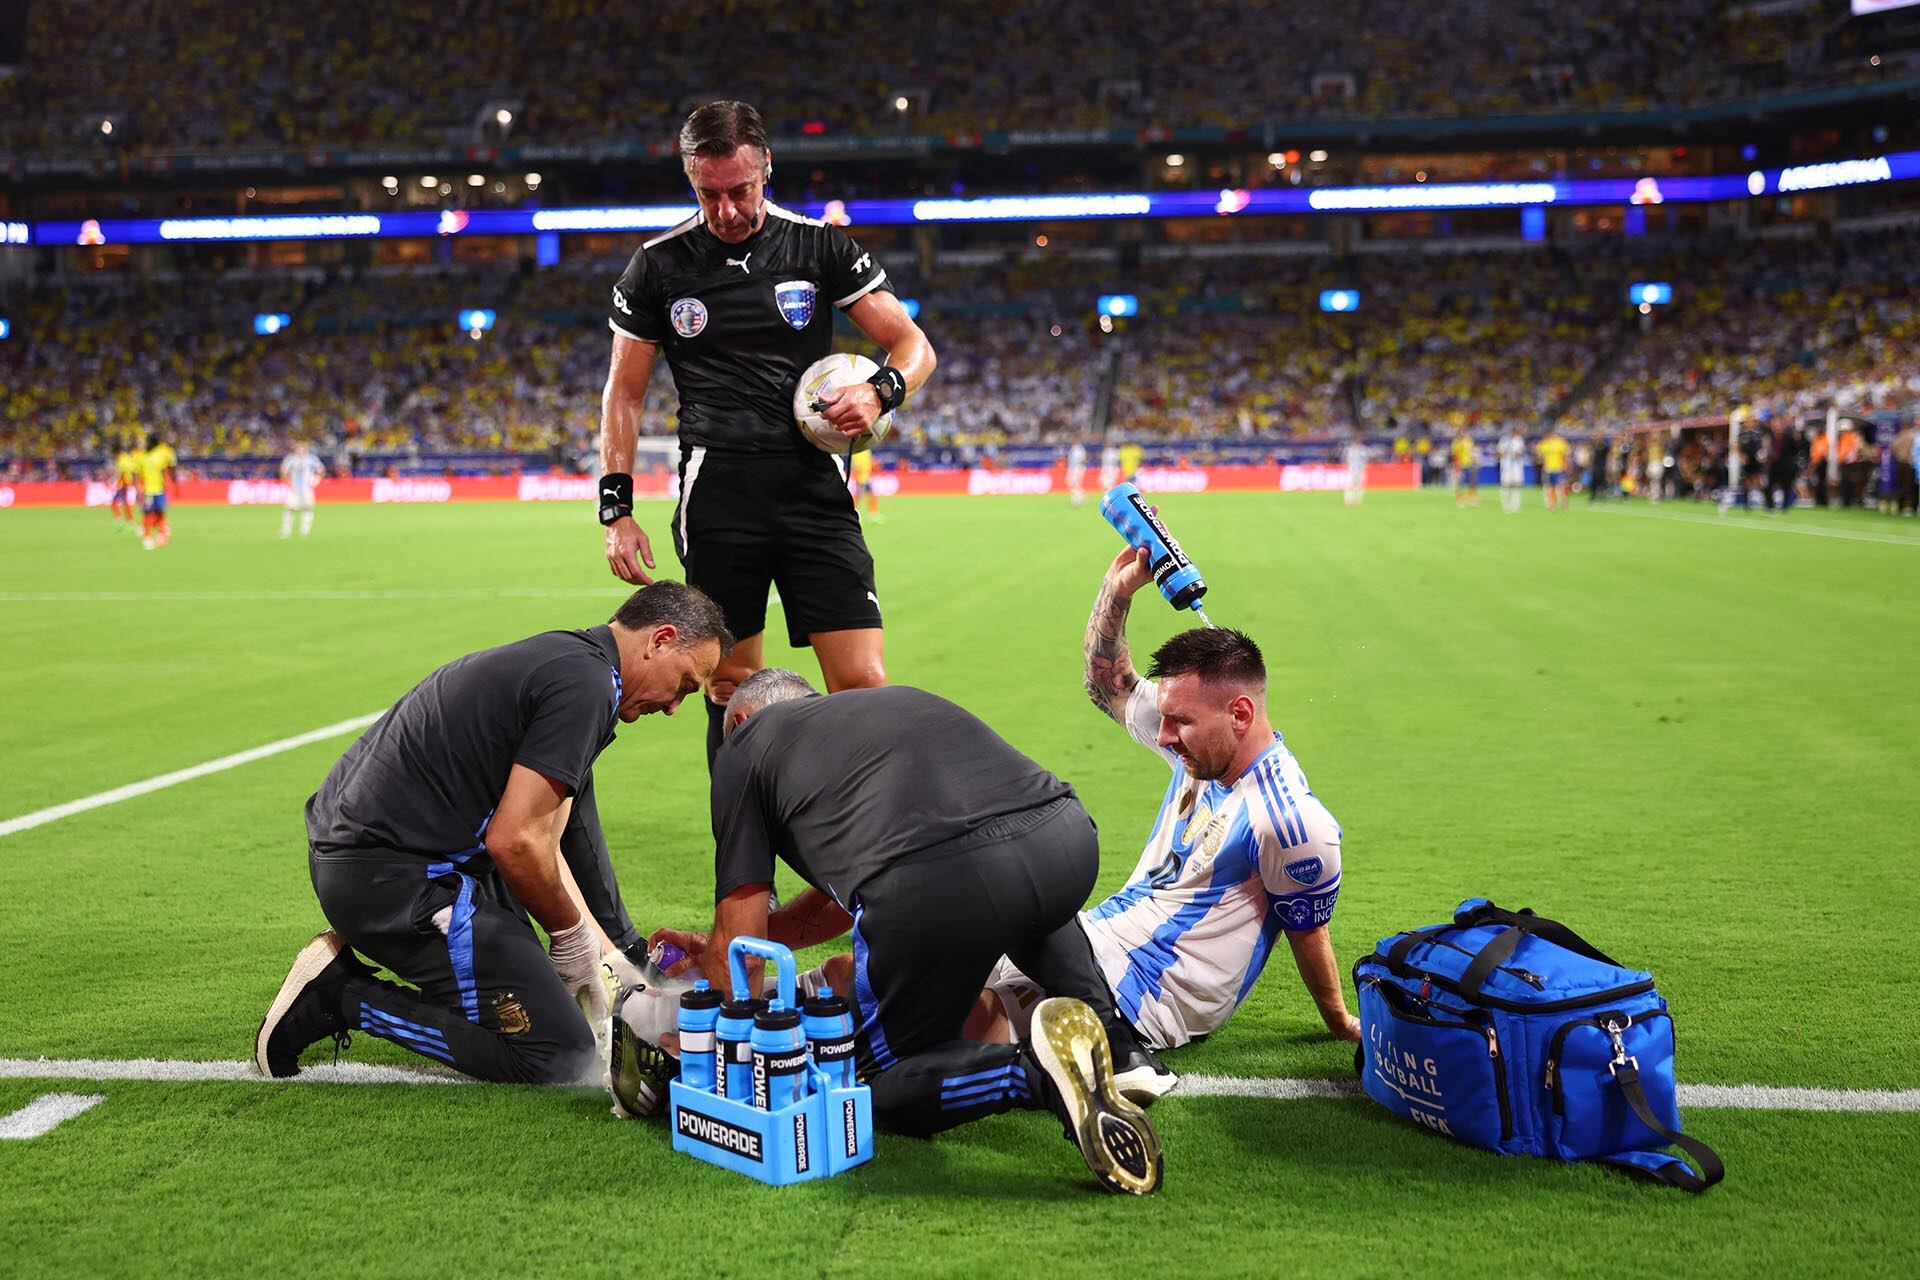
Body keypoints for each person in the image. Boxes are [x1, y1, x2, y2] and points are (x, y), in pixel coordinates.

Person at [650, 670, 1164, 1195]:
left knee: (879, 1078)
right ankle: (1120, 1047)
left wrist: (710, 1040)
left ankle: (1038, 1074)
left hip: (944, 887)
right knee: (1016, 884)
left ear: (738, 721)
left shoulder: (745, 748)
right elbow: (836, 903)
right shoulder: (883, 707)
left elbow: (743, 955)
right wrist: (746, 941)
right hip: (1067, 843)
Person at [254, 582, 733, 1085]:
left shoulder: (577, 665)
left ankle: (567, 973)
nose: (677, 704)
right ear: (659, 639)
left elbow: (557, 839)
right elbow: (517, 841)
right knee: (556, 1053)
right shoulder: (587, 687)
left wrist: (618, 958)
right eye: (683, 683)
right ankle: (339, 995)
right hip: (390, 878)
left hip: (389, 856)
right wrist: (572, 942)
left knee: (553, 994)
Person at [596, 100, 936, 767]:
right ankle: (743, 864)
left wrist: (879, 390)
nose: (725, 210)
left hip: (814, 489)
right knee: (729, 685)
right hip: (719, 494)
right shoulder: (658, 266)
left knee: (864, 685)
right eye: (708, 194)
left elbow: (911, 344)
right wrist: (617, 509)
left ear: (767, 169)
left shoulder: (820, 246)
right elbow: (624, 392)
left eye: (740, 190)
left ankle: (859, 853)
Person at [976, 549, 1354, 1053]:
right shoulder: (1203, 746)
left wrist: (1338, 1020)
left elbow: (1310, 933)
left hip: (1147, 993)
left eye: (1181, 722)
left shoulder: (1290, 822)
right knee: (907, 965)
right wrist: (1120, 590)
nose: (1166, 734)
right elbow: (1105, 683)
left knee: (959, 1021)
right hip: (1098, 938)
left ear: (1240, 713)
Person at [138, 431, 177, 549]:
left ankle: (162, 532)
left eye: (147, 442)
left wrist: (171, 476)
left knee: (160, 511)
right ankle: (147, 537)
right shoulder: (142, 456)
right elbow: (138, 473)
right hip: (148, 490)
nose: (145, 444)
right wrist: (138, 489)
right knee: (148, 514)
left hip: (159, 489)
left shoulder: (161, 453)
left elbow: (171, 462)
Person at [279, 440, 326, 539]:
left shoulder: (311, 459)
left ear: (306, 449)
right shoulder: (291, 459)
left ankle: (304, 531)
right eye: (298, 448)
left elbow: (321, 470)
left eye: (303, 448)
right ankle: (286, 531)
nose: (300, 450)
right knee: (290, 509)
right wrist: (288, 481)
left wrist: (317, 480)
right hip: (294, 489)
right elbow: (283, 470)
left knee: (308, 509)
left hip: (307, 489)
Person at [1535, 428, 1570, 510]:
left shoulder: (1560, 442)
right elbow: (1540, 456)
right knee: (1549, 487)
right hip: (1548, 469)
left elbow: (1565, 455)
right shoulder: (1544, 443)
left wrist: (1566, 465)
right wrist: (1543, 463)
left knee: (1561, 486)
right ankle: (1552, 504)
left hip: (1559, 468)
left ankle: (1564, 503)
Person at [110, 436, 140, 533]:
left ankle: (126, 523)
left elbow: (122, 473)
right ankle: (127, 523)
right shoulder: (125, 457)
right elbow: (133, 469)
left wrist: (117, 482)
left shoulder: (122, 459)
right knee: (122, 503)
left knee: (118, 503)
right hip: (126, 482)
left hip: (124, 483)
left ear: (116, 451)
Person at [1497, 427, 1528, 514]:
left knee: (1516, 486)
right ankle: (1505, 505)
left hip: (1516, 466)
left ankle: (1515, 506)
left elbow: (1522, 451)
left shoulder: (1519, 440)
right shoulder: (1504, 439)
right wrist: (1505, 455)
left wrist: (1516, 454)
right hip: (1506, 465)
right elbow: (1499, 451)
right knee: (1505, 485)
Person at [848, 445, 883, 523]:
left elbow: (868, 463)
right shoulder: (858, 452)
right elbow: (855, 466)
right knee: (860, 496)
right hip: (861, 478)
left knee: (862, 496)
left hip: (865, 477)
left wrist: (874, 463)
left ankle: (869, 514)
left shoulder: (865, 451)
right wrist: (857, 478)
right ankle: (870, 514)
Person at [1450, 430, 1478, 508]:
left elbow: (1473, 452)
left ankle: (1472, 500)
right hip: (1460, 465)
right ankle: (1460, 500)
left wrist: (1474, 462)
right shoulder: (1455, 443)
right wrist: (1456, 465)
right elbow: (1454, 455)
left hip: (1469, 464)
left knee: (1472, 483)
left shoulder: (1469, 441)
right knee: (1460, 484)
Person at [1342, 434, 1371, 508]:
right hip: (1352, 470)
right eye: (1356, 440)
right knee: (1350, 486)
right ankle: (1348, 501)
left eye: (1359, 440)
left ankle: (1358, 501)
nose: (1358, 442)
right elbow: (1344, 459)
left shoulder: (1363, 449)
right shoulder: (1349, 449)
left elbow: (1368, 458)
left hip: (1361, 470)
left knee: (1360, 486)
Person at [1066, 438, 1089, 507]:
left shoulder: (1079, 449)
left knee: (1075, 484)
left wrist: (1079, 468)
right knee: (1071, 483)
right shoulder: (1073, 449)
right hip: (1073, 468)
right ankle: (1081, 496)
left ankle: (1077, 499)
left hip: (1077, 468)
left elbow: (1083, 459)